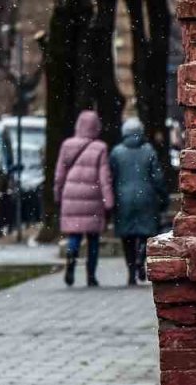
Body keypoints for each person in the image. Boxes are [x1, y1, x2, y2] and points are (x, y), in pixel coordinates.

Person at [55, 109, 114, 287]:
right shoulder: (100, 148)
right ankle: (91, 275)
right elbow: (105, 178)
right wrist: (109, 200)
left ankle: (71, 259)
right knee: (93, 239)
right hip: (93, 197)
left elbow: (59, 174)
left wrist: (57, 193)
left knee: (74, 234)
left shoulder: (67, 145)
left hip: (71, 196)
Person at [109, 117, 166, 285]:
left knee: (127, 238)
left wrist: (112, 197)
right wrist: (162, 195)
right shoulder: (149, 150)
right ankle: (141, 257)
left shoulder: (117, 152)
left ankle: (131, 271)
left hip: (123, 198)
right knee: (145, 234)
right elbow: (157, 176)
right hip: (146, 198)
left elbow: (111, 177)